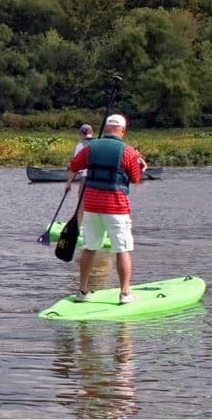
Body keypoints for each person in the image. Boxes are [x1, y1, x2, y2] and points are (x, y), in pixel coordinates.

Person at [65, 114, 144, 305]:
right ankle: (125, 294)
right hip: (117, 207)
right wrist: (141, 165)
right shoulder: (128, 151)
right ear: (123, 131)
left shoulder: (89, 147)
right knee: (122, 250)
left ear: (106, 128)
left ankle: (82, 291)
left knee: (89, 247)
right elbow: (135, 178)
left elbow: (74, 165)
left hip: (92, 206)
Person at [72, 123, 94, 225]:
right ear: (91, 133)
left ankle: (79, 226)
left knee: (81, 203)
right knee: (95, 203)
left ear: (81, 134)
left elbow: (75, 164)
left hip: (85, 177)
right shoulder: (97, 143)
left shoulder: (80, 145)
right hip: (96, 177)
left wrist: (69, 182)